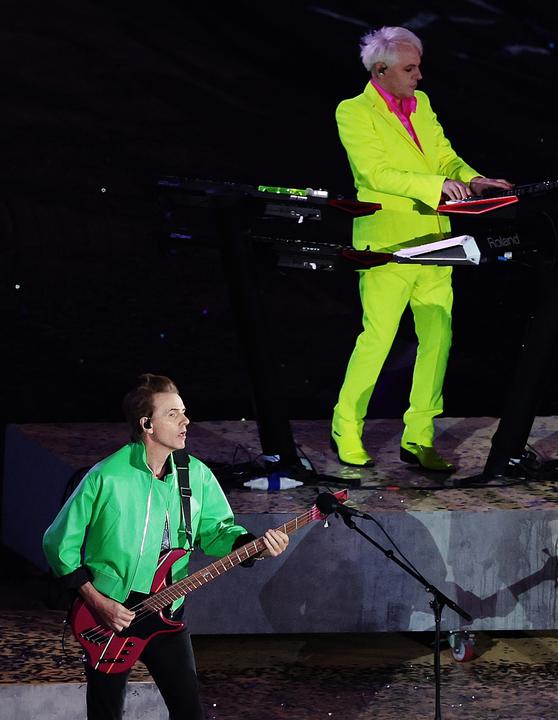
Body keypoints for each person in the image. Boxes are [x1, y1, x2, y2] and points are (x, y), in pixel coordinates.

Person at [43, 374, 289, 720]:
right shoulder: (106, 477)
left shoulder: (196, 475)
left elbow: (218, 531)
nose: (186, 421)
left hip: (167, 614)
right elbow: (57, 543)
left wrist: (256, 547)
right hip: (110, 617)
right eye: (173, 414)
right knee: (106, 714)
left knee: (191, 714)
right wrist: (98, 603)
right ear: (147, 424)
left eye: (184, 412)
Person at [331, 26, 511, 471]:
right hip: (387, 243)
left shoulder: (422, 105)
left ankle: (420, 435)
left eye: (418, 66)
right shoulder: (353, 112)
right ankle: (346, 426)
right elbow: (377, 173)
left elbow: (444, 156)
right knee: (378, 340)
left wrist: (470, 178)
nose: (419, 76)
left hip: (437, 240)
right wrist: (437, 186)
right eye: (410, 69)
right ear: (381, 70)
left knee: (438, 339)